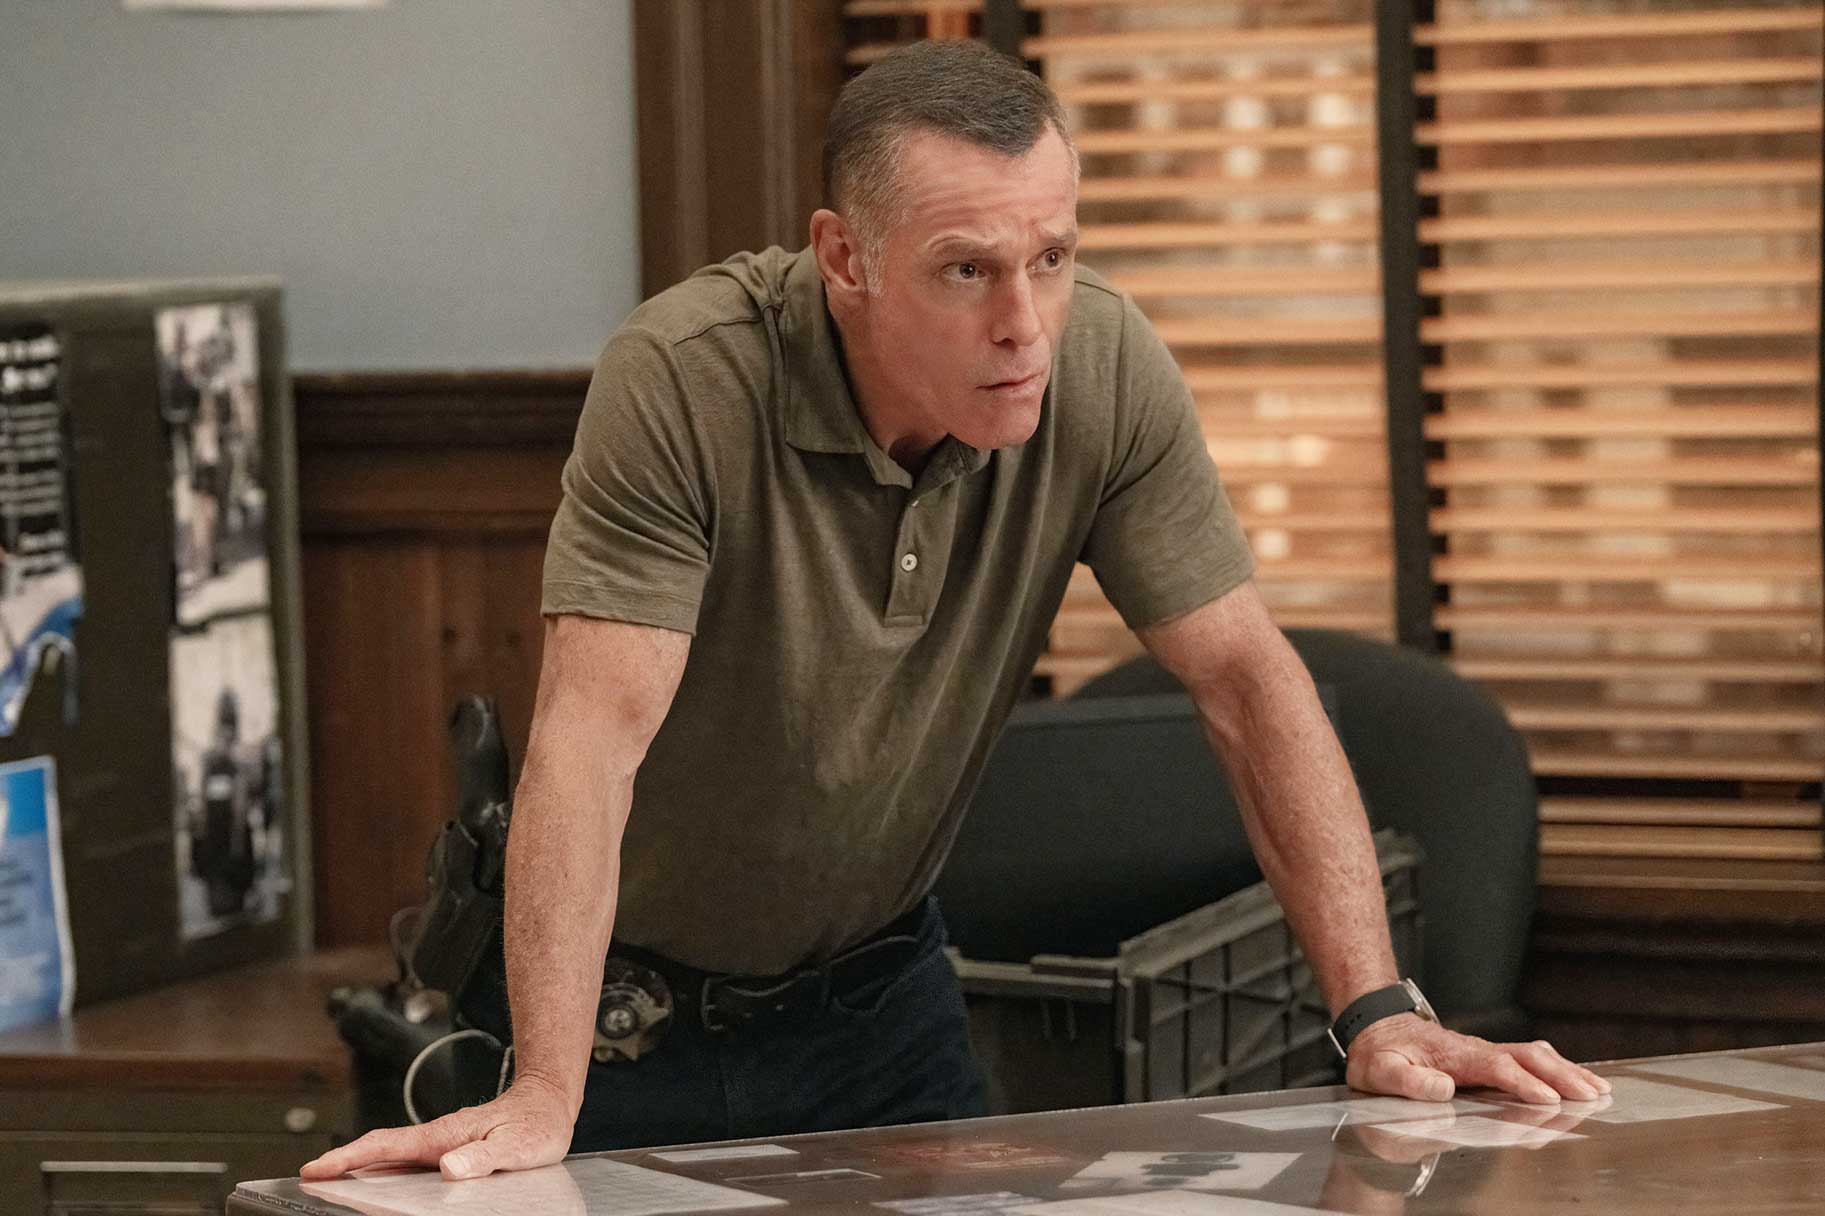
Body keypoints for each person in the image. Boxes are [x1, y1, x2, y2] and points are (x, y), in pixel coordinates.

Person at [304, 40, 1606, 1184]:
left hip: (876, 1001)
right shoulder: (686, 381)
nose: (1023, 324)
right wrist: (544, 1089)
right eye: (966, 269)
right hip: (608, 1025)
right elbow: (593, 740)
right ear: (844, 259)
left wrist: (1376, 1012)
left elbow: (1247, 683)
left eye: (1052, 258)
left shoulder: (1102, 367)